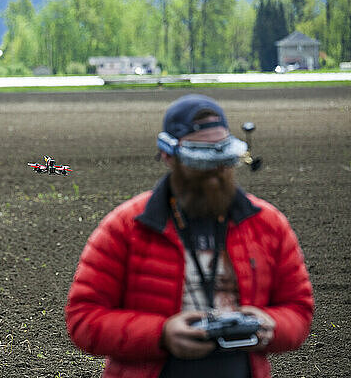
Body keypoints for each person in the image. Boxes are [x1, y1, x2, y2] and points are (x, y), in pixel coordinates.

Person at [65, 94, 314, 378]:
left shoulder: (268, 225)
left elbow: (298, 309)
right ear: (168, 156)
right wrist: (161, 334)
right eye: (201, 160)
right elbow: (83, 318)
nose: (215, 172)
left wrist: (272, 326)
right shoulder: (125, 228)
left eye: (223, 160)